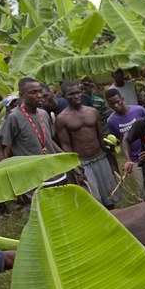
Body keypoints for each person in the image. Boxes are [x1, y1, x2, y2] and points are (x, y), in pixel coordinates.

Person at [0, 77, 69, 187]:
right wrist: (9, 178)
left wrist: (66, 158)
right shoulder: (13, 118)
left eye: (40, 91)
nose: (39, 95)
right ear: (22, 95)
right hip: (35, 181)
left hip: (57, 174)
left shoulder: (43, 113)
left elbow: (48, 141)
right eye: (33, 92)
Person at [55, 80, 118, 208]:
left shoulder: (92, 112)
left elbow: (101, 138)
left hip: (100, 157)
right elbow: (66, 146)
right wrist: (76, 169)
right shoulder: (62, 118)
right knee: (93, 200)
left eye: (78, 93)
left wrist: (112, 162)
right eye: (71, 94)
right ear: (64, 96)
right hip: (83, 163)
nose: (76, 96)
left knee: (109, 195)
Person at [105, 88, 145, 199]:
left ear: (122, 99)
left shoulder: (138, 110)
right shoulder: (111, 121)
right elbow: (118, 140)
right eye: (112, 104)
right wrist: (127, 160)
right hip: (134, 159)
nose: (116, 105)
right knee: (142, 189)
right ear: (108, 105)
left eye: (117, 101)